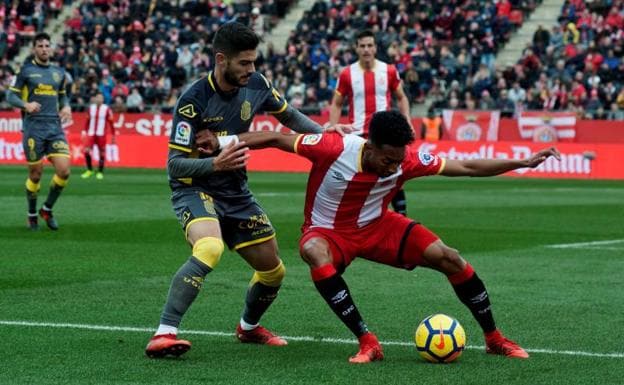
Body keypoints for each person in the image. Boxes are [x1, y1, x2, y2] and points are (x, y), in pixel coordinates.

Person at [198, 110, 561, 363]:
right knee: (312, 250)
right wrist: (222, 141)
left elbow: (465, 167)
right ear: (369, 147)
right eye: (388, 160)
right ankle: (367, 341)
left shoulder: (405, 160)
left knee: (450, 257)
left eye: (398, 161)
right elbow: (276, 137)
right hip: (329, 232)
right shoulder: (332, 148)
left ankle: (494, 339)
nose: (394, 167)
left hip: (379, 226)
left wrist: (521, 163)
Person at [145, 22, 348, 358]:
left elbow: (290, 116)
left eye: (254, 62)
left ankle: (249, 328)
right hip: (195, 188)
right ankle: (164, 333)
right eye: (244, 63)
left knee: (273, 271)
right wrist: (215, 165)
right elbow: (174, 165)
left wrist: (328, 140)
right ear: (221, 59)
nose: (251, 70)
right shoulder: (193, 101)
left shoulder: (257, 84)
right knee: (209, 248)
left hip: (235, 191)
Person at [329, 29, 412, 216]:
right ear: (356, 49)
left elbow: (402, 97)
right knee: (359, 177)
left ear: (375, 48)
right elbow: (336, 103)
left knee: (394, 174)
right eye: (362, 46)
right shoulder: (347, 74)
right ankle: (357, 216)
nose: (366, 49)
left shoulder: (389, 71)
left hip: (385, 135)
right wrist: (332, 127)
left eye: (370, 45)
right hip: (358, 135)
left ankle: (402, 216)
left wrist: (407, 121)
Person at [7, 32, 72, 231]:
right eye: (40, 46)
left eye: (47, 45)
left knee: (64, 171)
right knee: (35, 175)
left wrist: (66, 106)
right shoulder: (25, 71)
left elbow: (63, 96)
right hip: (33, 127)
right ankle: (32, 213)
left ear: (51, 48)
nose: (44, 49)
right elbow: (10, 96)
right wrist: (25, 105)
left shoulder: (59, 72)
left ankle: (47, 209)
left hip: (54, 127)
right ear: (34, 49)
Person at [81, 92, 116, 180]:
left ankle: (100, 171)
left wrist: (113, 134)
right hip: (91, 133)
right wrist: (84, 130)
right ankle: (89, 170)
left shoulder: (106, 109)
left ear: (103, 100)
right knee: (86, 151)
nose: (99, 99)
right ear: (95, 99)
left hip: (101, 134)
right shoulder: (91, 108)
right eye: (98, 98)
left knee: (102, 152)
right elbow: (87, 121)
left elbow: (111, 122)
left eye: (101, 98)